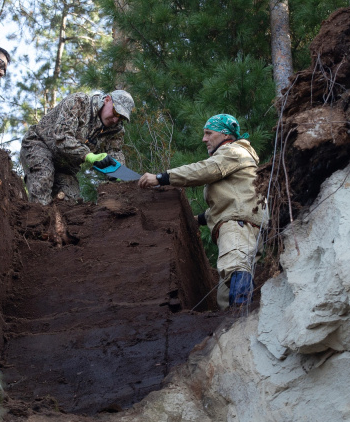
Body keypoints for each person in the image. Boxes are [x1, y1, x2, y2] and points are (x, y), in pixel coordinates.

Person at [137, 114, 267, 310]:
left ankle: (242, 320)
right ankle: (236, 327)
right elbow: (228, 202)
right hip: (242, 221)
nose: (204, 139)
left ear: (225, 135)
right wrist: (195, 219)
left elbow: (204, 170)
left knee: (236, 265)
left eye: (208, 133)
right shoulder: (235, 158)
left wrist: (162, 177)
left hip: (238, 224)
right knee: (225, 295)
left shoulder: (234, 151)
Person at [20, 90, 135, 205]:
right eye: (115, 112)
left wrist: (119, 174)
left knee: (72, 203)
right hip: (39, 144)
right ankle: (35, 220)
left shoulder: (116, 129)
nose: (115, 119)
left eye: (120, 117)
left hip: (66, 166)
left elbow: (115, 152)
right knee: (43, 179)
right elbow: (62, 137)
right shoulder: (79, 102)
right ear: (107, 99)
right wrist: (88, 155)